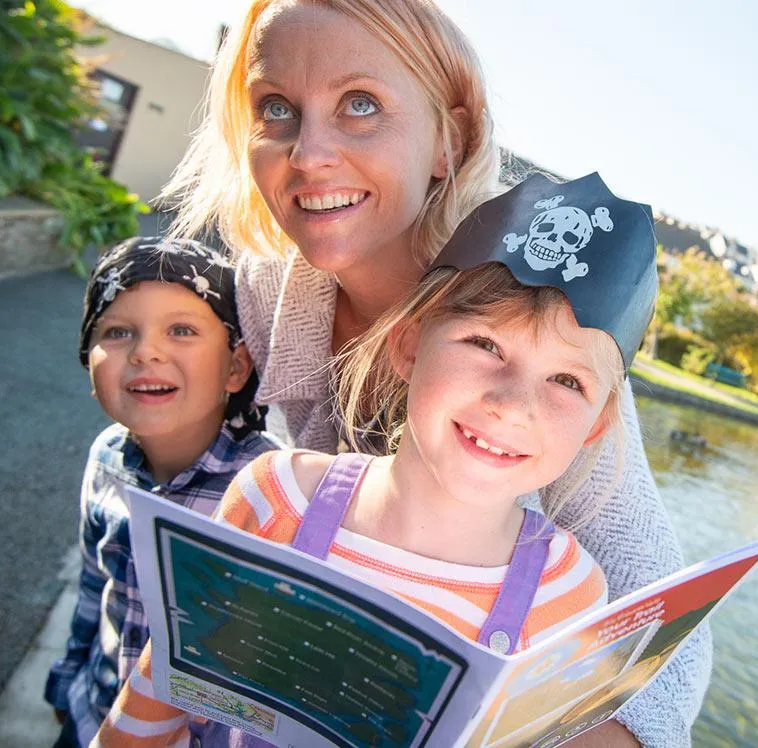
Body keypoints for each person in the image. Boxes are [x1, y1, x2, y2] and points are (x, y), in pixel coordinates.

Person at [160, 2, 713, 744]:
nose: (307, 152)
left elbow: (667, 637)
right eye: (277, 108)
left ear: (447, 141)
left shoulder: (547, 327)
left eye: (360, 105)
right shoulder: (269, 289)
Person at [96, 172, 657, 746]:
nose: (514, 406)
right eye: (485, 345)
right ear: (408, 344)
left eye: (567, 380)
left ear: (598, 425)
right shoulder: (277, 499)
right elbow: (155, 705)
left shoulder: (569, 595)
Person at [44, 237, 281, 747]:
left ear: (236, 367)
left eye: (182, 329)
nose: (147, 350)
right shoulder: (106, 457)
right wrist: (66, 685)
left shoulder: (272, 491)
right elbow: (94, 583)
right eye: (118, 331)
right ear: (89, 361)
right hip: (94, 716)